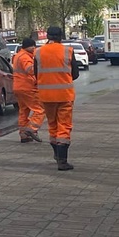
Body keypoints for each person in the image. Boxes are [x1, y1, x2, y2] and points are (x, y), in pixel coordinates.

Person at [34, 24, 80, 170]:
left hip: (46, 96)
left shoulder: (38, 52)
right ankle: (63, 161)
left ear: (47, 36)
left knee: (52, 125)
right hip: (64, 95)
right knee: (64, 126)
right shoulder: (68, 51)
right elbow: (76, 74)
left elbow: (36, 74)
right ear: (61, 37)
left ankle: (57, 155)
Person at [10, 37, 45, 143]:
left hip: (18, 87)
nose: (34, 48)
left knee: (23, 111)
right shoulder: (25, 57)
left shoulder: (18, 55)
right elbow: (31, 70)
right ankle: (31, 129)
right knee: (40, 110)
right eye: (33, 46)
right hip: (28, 87)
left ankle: (23, 134)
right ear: (29, 47)